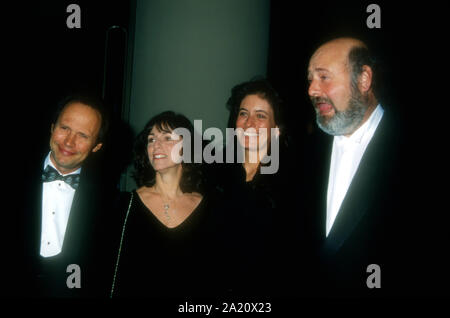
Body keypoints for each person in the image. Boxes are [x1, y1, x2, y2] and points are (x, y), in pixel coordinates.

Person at [302, 36, 428, 297]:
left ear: (363, 80)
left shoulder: (417, 152)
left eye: (323, 77)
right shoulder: (304, 153)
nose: (312, 89)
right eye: (310, 78)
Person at [16, 93, 116, 298]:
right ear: (52, 128)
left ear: (96, 146)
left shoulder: (109, 202)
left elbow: (100, 271)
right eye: (65, 128)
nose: (69, 142)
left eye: (83, 135)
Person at [207, 78, 296, 297]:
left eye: (261, 116)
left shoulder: (294, 182)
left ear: (277, 130)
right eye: (243, 113)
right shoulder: (213, 172)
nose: (248, 123)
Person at [110, 111, 213, 298]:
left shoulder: (210, 207)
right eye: (151, 139)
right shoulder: (124, 205)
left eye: (167, 138)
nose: (156, 145)